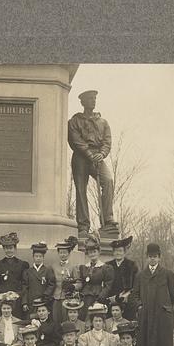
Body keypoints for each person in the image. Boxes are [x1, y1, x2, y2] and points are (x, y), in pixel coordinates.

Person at [67, 89, 119, 237]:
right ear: (83, 102)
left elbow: (107, 141)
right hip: (81, 157)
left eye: (95, 98)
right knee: (81, 189)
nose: (93, 101)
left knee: (108, 180)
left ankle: (108, 219)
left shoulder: (103, 122)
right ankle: (83, 225)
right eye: (90, 99)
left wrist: (101, 154)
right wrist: (89, 154)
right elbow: (75, 140)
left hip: (97, 156)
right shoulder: (74, 121)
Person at [130, 243, 174, 346]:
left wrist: (166, 306)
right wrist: (140, 306)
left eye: (155, 257)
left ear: (159, 257)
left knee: (161, 343)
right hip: (146, 315)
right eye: (150, 257)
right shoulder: (141, 275)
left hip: (162, 315)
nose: (153, 259)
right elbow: (134, 295)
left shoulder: (167, 274)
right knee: (146, 342)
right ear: (147, 257)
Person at [71, 236, 113, 320]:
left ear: (98, 252)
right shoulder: (83, 267)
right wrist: (74, 286)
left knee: (96, 319)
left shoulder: (105, 268)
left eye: (94, 252)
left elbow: (108, 286)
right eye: (90, 252)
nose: (92, 254)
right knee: (84, 319)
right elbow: (81, 283)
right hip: (85, 298)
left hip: (98, 298)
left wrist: (100, 298)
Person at [0, 232, 29, 317]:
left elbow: (24, 284)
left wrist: (19, 295)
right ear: (4, 249)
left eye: (11, 248)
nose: (9, 250)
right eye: (6, 248)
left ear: (15, 248)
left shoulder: (23, 264)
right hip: (2, 300)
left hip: (17, 299)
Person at [106, 235, 139, 321]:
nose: (118, 253)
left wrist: (126, 295)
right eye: (116, 251)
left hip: (127, 301)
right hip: (112, 300)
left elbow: (136, 284)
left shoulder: (131, 265)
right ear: (113, 252)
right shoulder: (108, 265)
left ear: (124, 252)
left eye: (120, 251)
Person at [21, 243, 56, 316]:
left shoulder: (48, 270)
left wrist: (44, 297)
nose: (38, 258)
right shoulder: (28, 271)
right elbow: (25, 287)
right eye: (36, 256)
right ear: (33, 257)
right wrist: (24, 302)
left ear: (43, 258)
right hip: (31, 301)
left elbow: (51, 285)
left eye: (40, 256)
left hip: (43, 301)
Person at [52, 236, 79, 324]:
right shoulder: (54, 266)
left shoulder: (73, 267)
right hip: (56, 297)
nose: (63, 254)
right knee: (56, 318)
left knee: (65, 320)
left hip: (67, 298)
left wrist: (72, 286)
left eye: (65, 252)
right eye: (61, 252)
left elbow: (79, 283)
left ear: (69, 253)